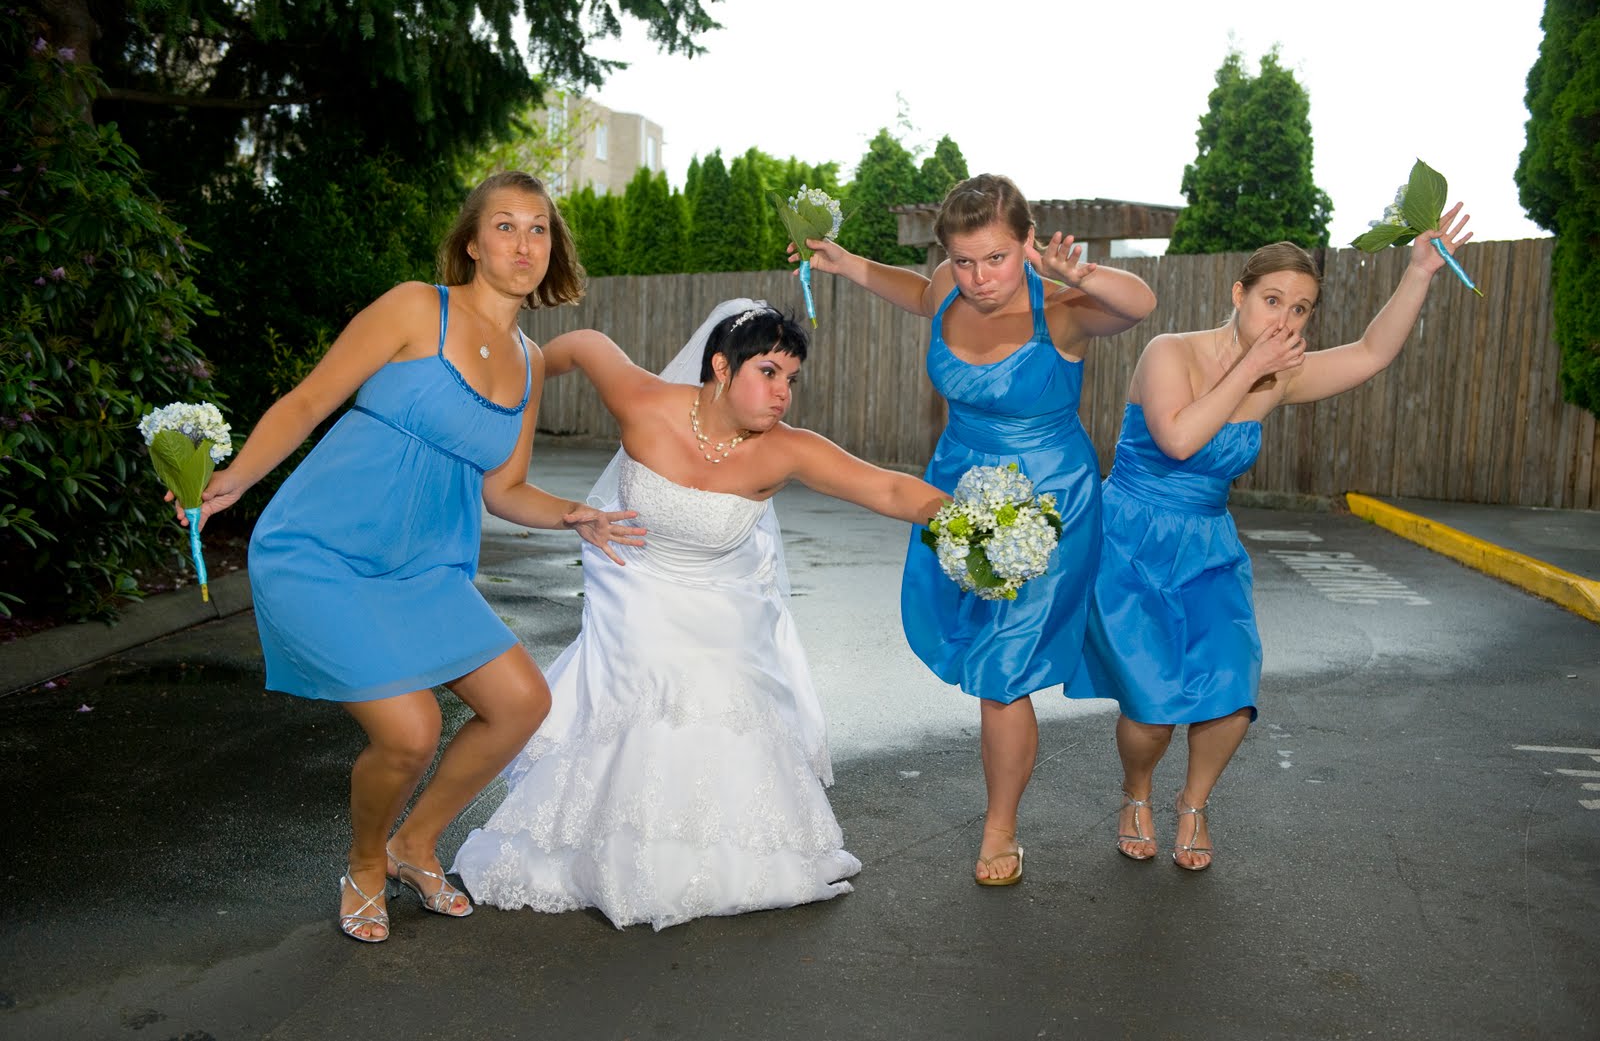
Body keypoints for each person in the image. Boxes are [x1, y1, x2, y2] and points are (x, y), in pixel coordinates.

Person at [174, 171, 644, 942]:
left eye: (538, 228)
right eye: (505, 225)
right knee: (410, 730)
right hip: (324, 547)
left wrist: (575, 515)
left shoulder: (528, 365)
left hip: (426, 569)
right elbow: (306, 400)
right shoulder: (416, 307)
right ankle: (365, 862)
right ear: (471, 240)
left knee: (522, 702)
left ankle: (414, 841)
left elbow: (505, 489)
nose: (524, 243)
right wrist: (231, 482)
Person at [451, 300, 949, 930]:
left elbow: (888, 488)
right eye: (768, 372)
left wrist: (972, 520)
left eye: (790, 380)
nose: (781, 394)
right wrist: (508, 394)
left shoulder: (786, 450)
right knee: (649, 688)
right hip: (635, 586)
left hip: (719, 600)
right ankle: (614, 852)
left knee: (721, 697)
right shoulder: (644, 401)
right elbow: (579, 343)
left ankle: (713, 856)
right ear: (720, 366)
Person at [1085, 205, 1474, 871]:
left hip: (1209, 544)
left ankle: (1195, 803)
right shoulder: (1167, 353)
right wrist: (1252, 368)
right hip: (1131, 541)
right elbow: (1179, 438)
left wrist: (1417, 273)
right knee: (1150, 711)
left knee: (1232, 695)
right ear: (1238, 295)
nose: (1285, 321)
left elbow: (1371, 352)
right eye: (1272, 301)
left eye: (1300, 310)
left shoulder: (1281, 373)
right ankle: (1136, 790)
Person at [798, 174, 1157, 884]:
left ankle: (1000, 828)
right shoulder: (947, 290)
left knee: (1003, 665)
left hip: (1050, 500)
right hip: (957, 483)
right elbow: (916, 291)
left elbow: (1140, 306)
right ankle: (1012, 804)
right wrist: (848, 265)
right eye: (964, 260)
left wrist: (1080, 273)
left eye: (995, 257)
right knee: (982, 650)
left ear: (1026, 242)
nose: (979, 277)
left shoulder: (1060, 309)